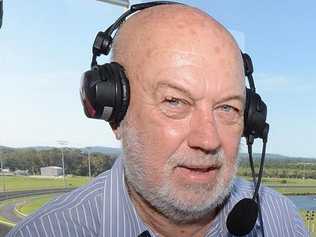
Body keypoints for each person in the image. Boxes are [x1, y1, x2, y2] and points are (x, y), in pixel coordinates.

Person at [7, 3, 309, 237]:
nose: (208, 139)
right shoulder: (47, 230)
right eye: (175, 101)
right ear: (115, 113)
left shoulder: (280, 219)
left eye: (227, 108)